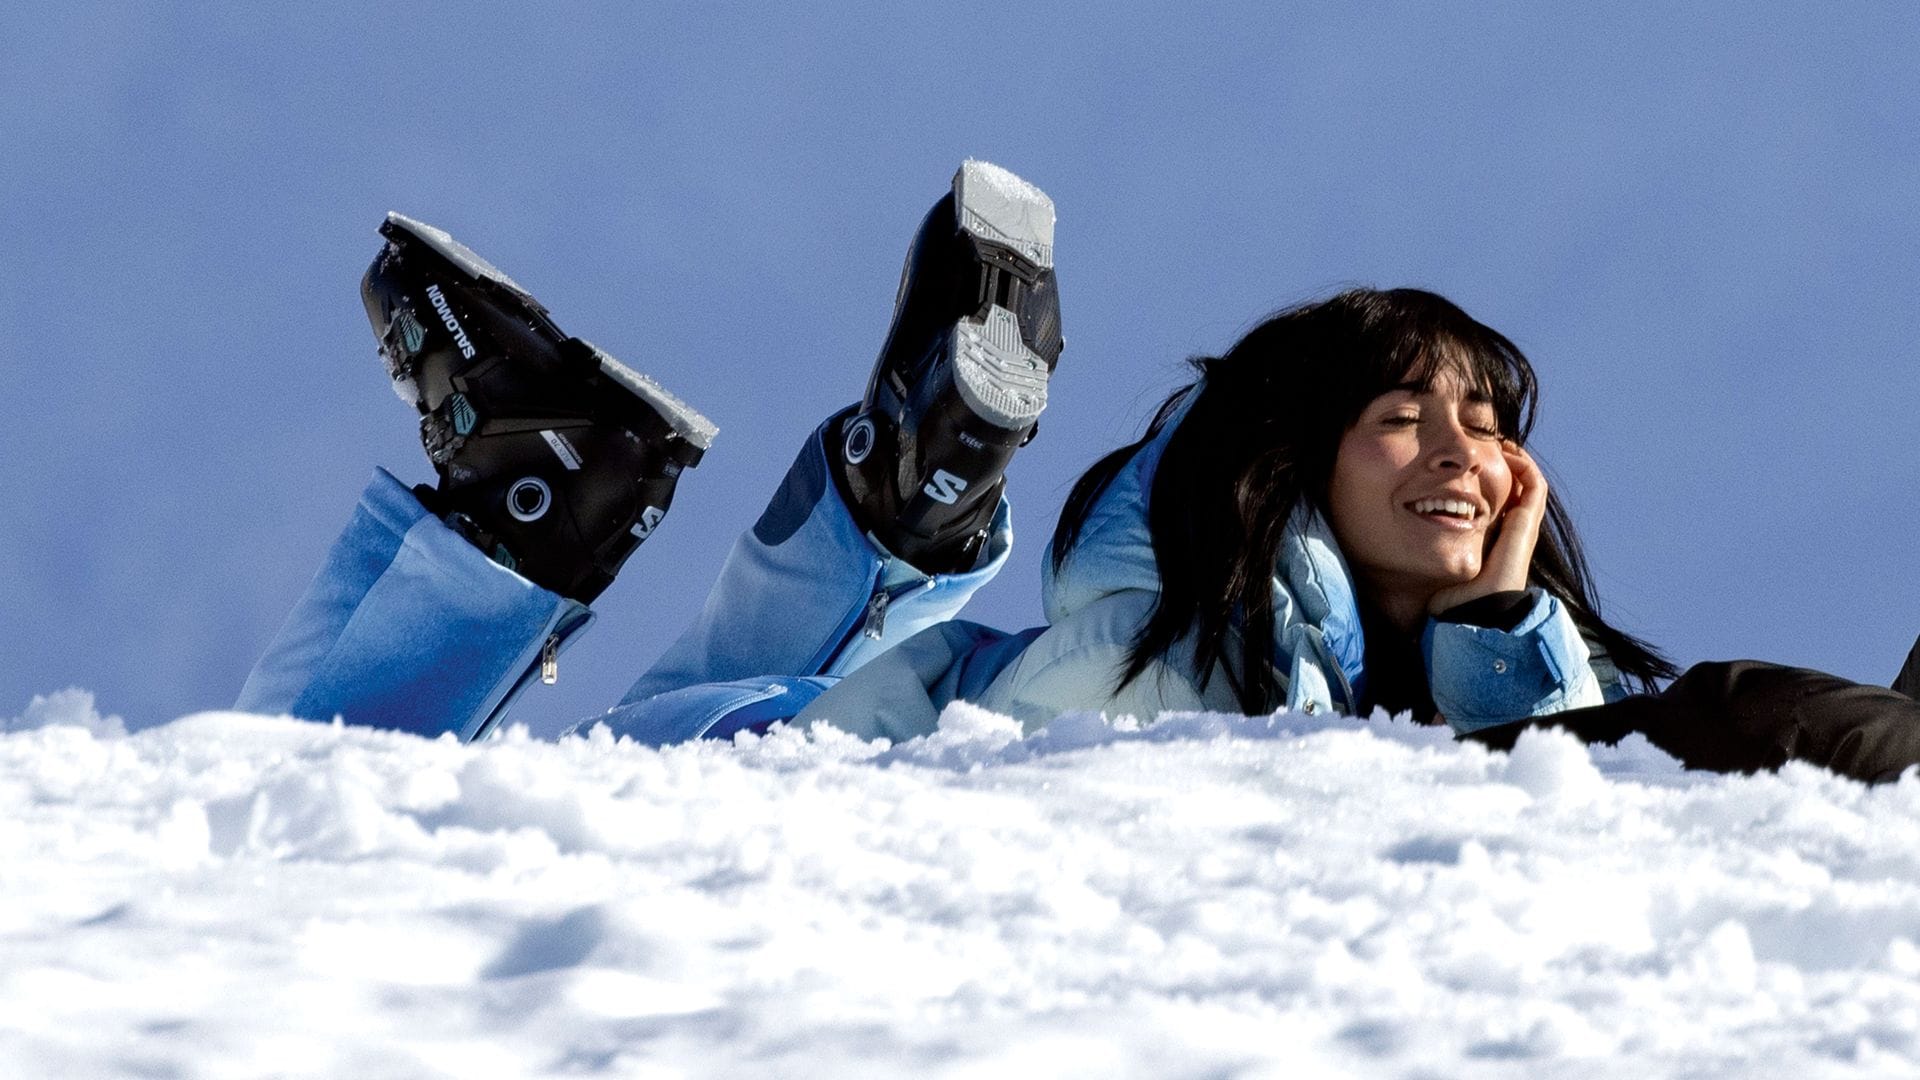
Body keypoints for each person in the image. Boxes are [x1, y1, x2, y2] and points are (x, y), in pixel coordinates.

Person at [238, 161, 1920, 782]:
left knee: (366, 793)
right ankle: (845, 494)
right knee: (326, 821)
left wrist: (1499, 616)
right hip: (838, 780)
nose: (1466, 455)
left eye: (1489, 421)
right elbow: (1506, 789)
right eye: (1404, 416)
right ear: (1289, 457)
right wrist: (1494, 634)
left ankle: (648, 492)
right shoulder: (1227, 610)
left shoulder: (1470, 659)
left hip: (826, 727)